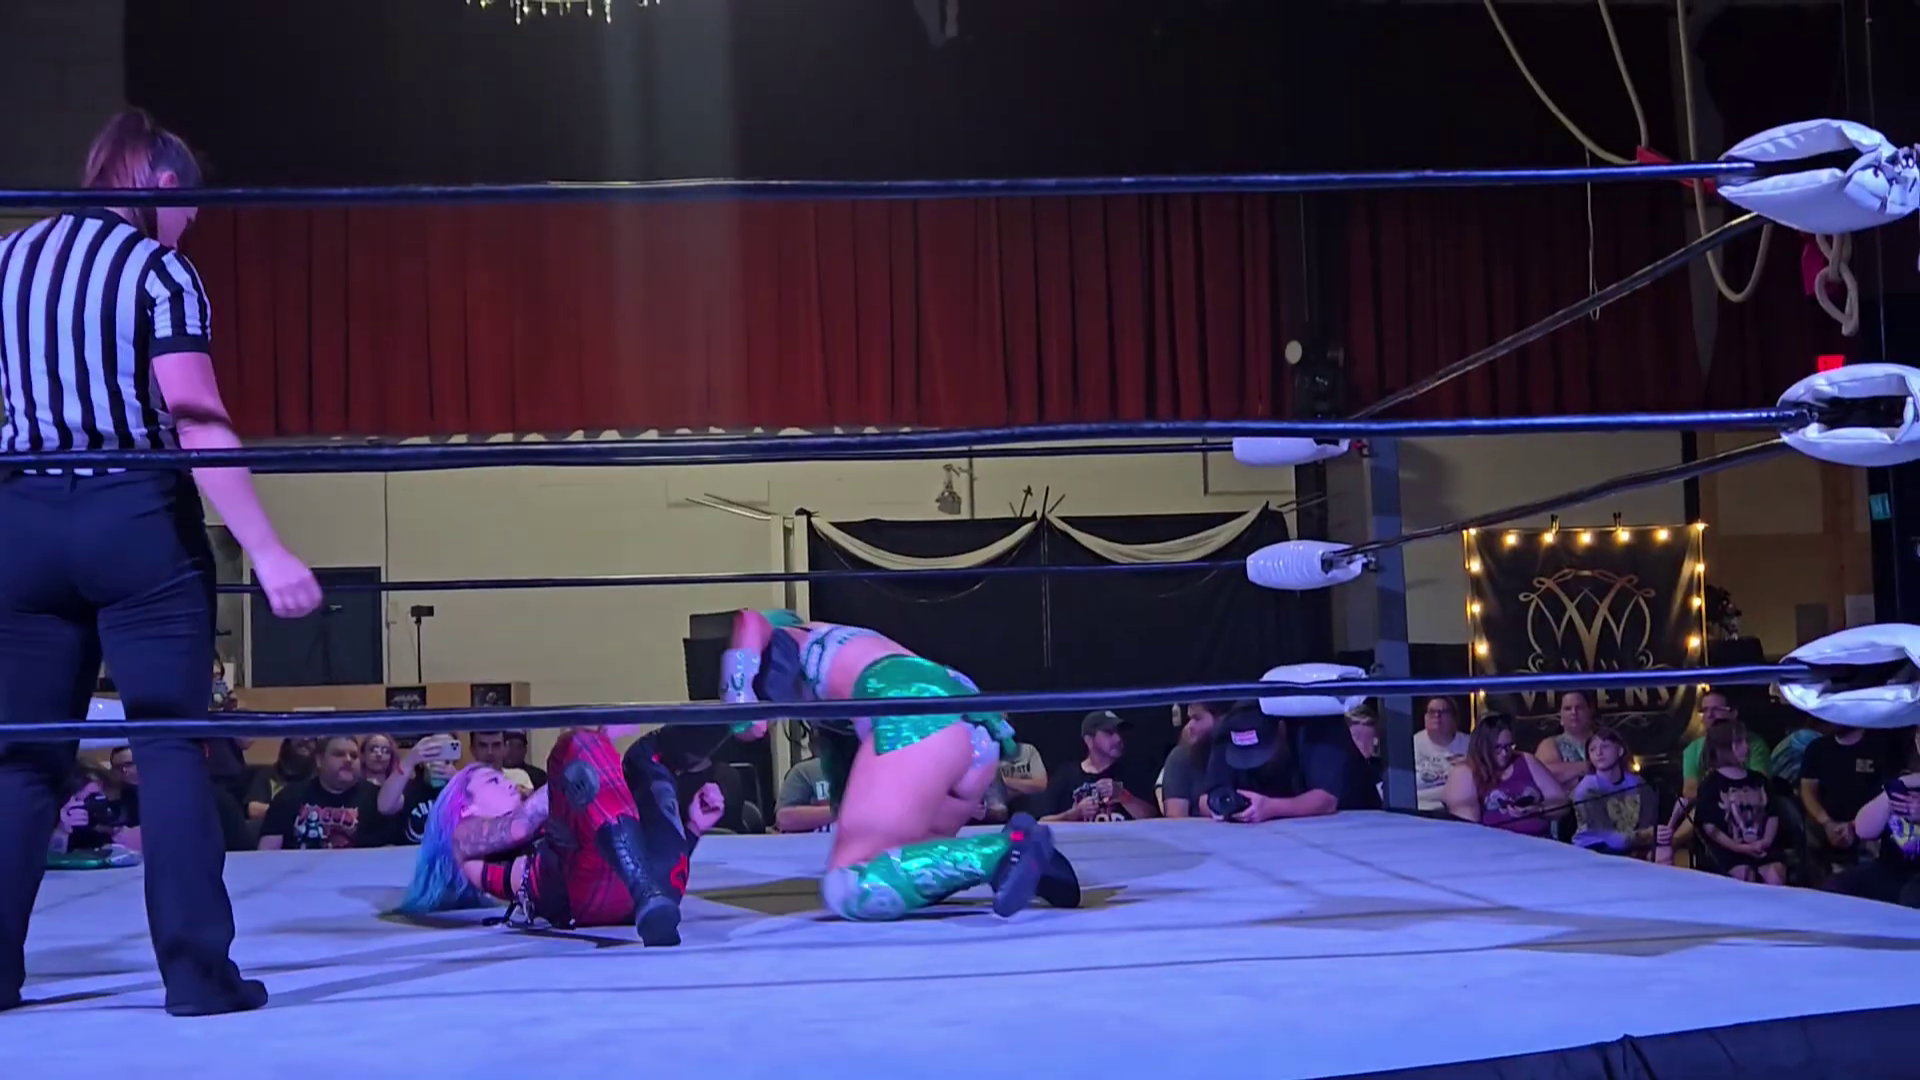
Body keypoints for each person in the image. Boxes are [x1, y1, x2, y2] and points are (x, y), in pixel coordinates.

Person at [0, 110, 323, 1017]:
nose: (189, 230)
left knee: (21, 758)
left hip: (22, 519)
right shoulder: (157, 269)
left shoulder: (9, 258)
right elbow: (196, 418)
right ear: (163, 188)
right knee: (171, 744)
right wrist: (266, 549)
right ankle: (195, 976)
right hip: (133, 516)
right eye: (190, 212)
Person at [724, 608, 1066, 921]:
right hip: (970, 726)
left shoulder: (794, 639)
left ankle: (1007, 851)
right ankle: (1018, 851)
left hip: (912, 712)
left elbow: (749, 620)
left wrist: (737, 695)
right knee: (904, 859)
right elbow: (845, 776)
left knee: (849, 885)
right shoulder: (842, 662)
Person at [397, 727, 725, 947]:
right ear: (465, 807)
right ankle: (645, 892)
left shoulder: (543, 812)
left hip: (658, 880)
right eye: (493, 782)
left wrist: (693, 828)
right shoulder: (463, 839)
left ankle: (737, 718)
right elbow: (520, 827)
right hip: (586, 893)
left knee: (646, 754)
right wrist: (596, 747)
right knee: (575, 744)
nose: (507, 782)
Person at [1199, 703, 1338, 823]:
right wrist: (1226, 808)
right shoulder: (1225, 737)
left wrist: (1273, 808)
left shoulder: (1308, 733)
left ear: (1281, 730)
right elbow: (1205, 800)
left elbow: (1327, 800)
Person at [1830, 726, 1920, 908]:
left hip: (1915, 879)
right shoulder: (1902, 780)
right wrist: (1895, 790)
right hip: (1890, 869)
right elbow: (1863, 830)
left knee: (1911, 896)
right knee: (1837, 886)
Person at [1441, 714, 1566, 837]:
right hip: (1498, 844)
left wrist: (1538, 809)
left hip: (1541, 840)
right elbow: (1469, 830)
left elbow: (1562, 803)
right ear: (1483, 747)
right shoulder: (1466, 772)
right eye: (1498, 748)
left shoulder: (1526, 760)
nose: (1505, 753)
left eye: (1508, 746)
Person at [1693, 721, 1787, 885]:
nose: (1746, 746)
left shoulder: (1759, 780)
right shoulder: (1710, 785)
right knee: (1744, 876)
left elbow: (1772, 814)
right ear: (1722, 748)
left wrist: (1766, 841)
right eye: (1739, 742)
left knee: (1774, 876)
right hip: (1729, 851)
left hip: (1764, 847)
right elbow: (1710, 827)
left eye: (1745, 741)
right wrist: (1738, 848)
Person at [1569, 728, 1656, 856]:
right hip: (1594, 847)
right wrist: (1643, 835)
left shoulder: (1638, 783)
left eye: (1605, 747)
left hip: (1634, 843)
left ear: (1620, 751)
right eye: (1592, 749)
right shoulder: (1587, 790)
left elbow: (1648, 822)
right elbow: (1607, 835)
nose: (1598, 753)